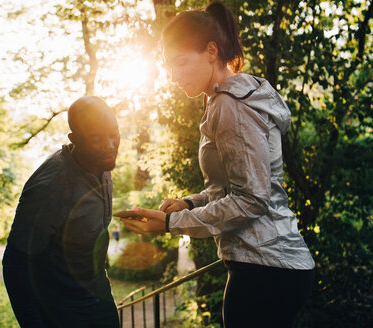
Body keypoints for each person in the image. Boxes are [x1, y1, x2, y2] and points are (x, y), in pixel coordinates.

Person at [120, 2, 315, 328]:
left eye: (181, 62)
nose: (174, 77)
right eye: (169, 67)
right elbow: (233, 187)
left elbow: (252, 199)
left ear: (212, 51)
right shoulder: (231, 97)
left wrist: (172, 223)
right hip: (272, 266)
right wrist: (188, 203)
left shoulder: (229, 105)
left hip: (265, 269)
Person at [2, 96, 121, 328]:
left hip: (99, 301)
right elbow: (15, 264)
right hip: (62, 313)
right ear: (75, 140)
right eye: (97, 139)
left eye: (113, 133)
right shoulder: (51, 187)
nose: (110, 145)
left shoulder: (101, 162)